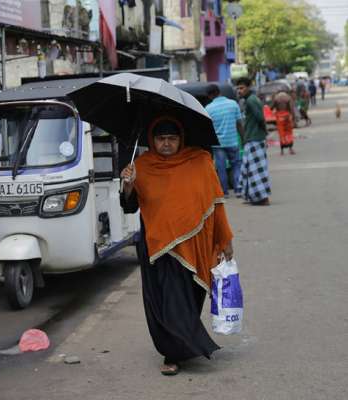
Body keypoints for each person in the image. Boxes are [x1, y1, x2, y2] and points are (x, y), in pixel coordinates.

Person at [119, 116, 234, 376]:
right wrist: (128, 184)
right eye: (161, 139)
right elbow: (130, 206)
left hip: (194, 246)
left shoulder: (200, 161)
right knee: (165, 301)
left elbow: (216, 204)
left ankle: (183, 345)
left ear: (181, 139)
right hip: (158, 247)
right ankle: (172, 354)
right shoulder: (142, 166)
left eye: (172, 139)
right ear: (152, 140)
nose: (167, 144)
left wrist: (225, 239)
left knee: (189, 299)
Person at [236, 77, 271, 206]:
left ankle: (262, 198)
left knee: (257, 170)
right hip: (250, 138)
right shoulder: (247, 100)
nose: (239, 91)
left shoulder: (251, 100)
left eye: (242, 88)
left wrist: (264, 132)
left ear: (248, 87)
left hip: (255, 138)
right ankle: (252, 196)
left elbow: (260, 118)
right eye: (238, 88)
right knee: (249, 169)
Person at [204, 84, 244, 198]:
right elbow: (239, 124)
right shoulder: (233, 104)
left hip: (218, 143)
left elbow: (208, 128)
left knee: (221, 168)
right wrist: (243, 138)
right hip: (232, 141)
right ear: (219, 91)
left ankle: (224, 192)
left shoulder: (208, 108)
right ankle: (238, 190)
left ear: (210, 95)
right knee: (236, 165)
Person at [271, 91, 295, 155]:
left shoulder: (276, 98)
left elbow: (271, 108)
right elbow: (292, 109)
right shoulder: (288, 97)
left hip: (279, 117)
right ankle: (290, 149)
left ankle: (282, 151)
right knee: (289, 133)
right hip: (287, 116)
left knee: (281, 134)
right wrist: (293, 118)